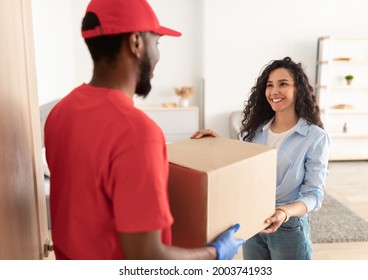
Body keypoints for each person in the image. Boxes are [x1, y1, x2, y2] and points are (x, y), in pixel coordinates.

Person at [44, 0, 244, 260]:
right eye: (157, 43)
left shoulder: (61, 111)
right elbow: (149, 257)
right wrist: (215, 253)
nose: (158, 56)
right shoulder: (137, 132)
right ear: (136, 42)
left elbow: (98, 180)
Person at [191, 57, 330, 260]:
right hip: (253, 221)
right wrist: (216, 144)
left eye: (283, 84)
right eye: (269, 85)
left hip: (289, 226)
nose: (274, 91)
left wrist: (284, 212)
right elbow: (240, 167)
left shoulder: (315, 137)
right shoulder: (254, 132)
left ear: (298, 89)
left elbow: (314, 195)